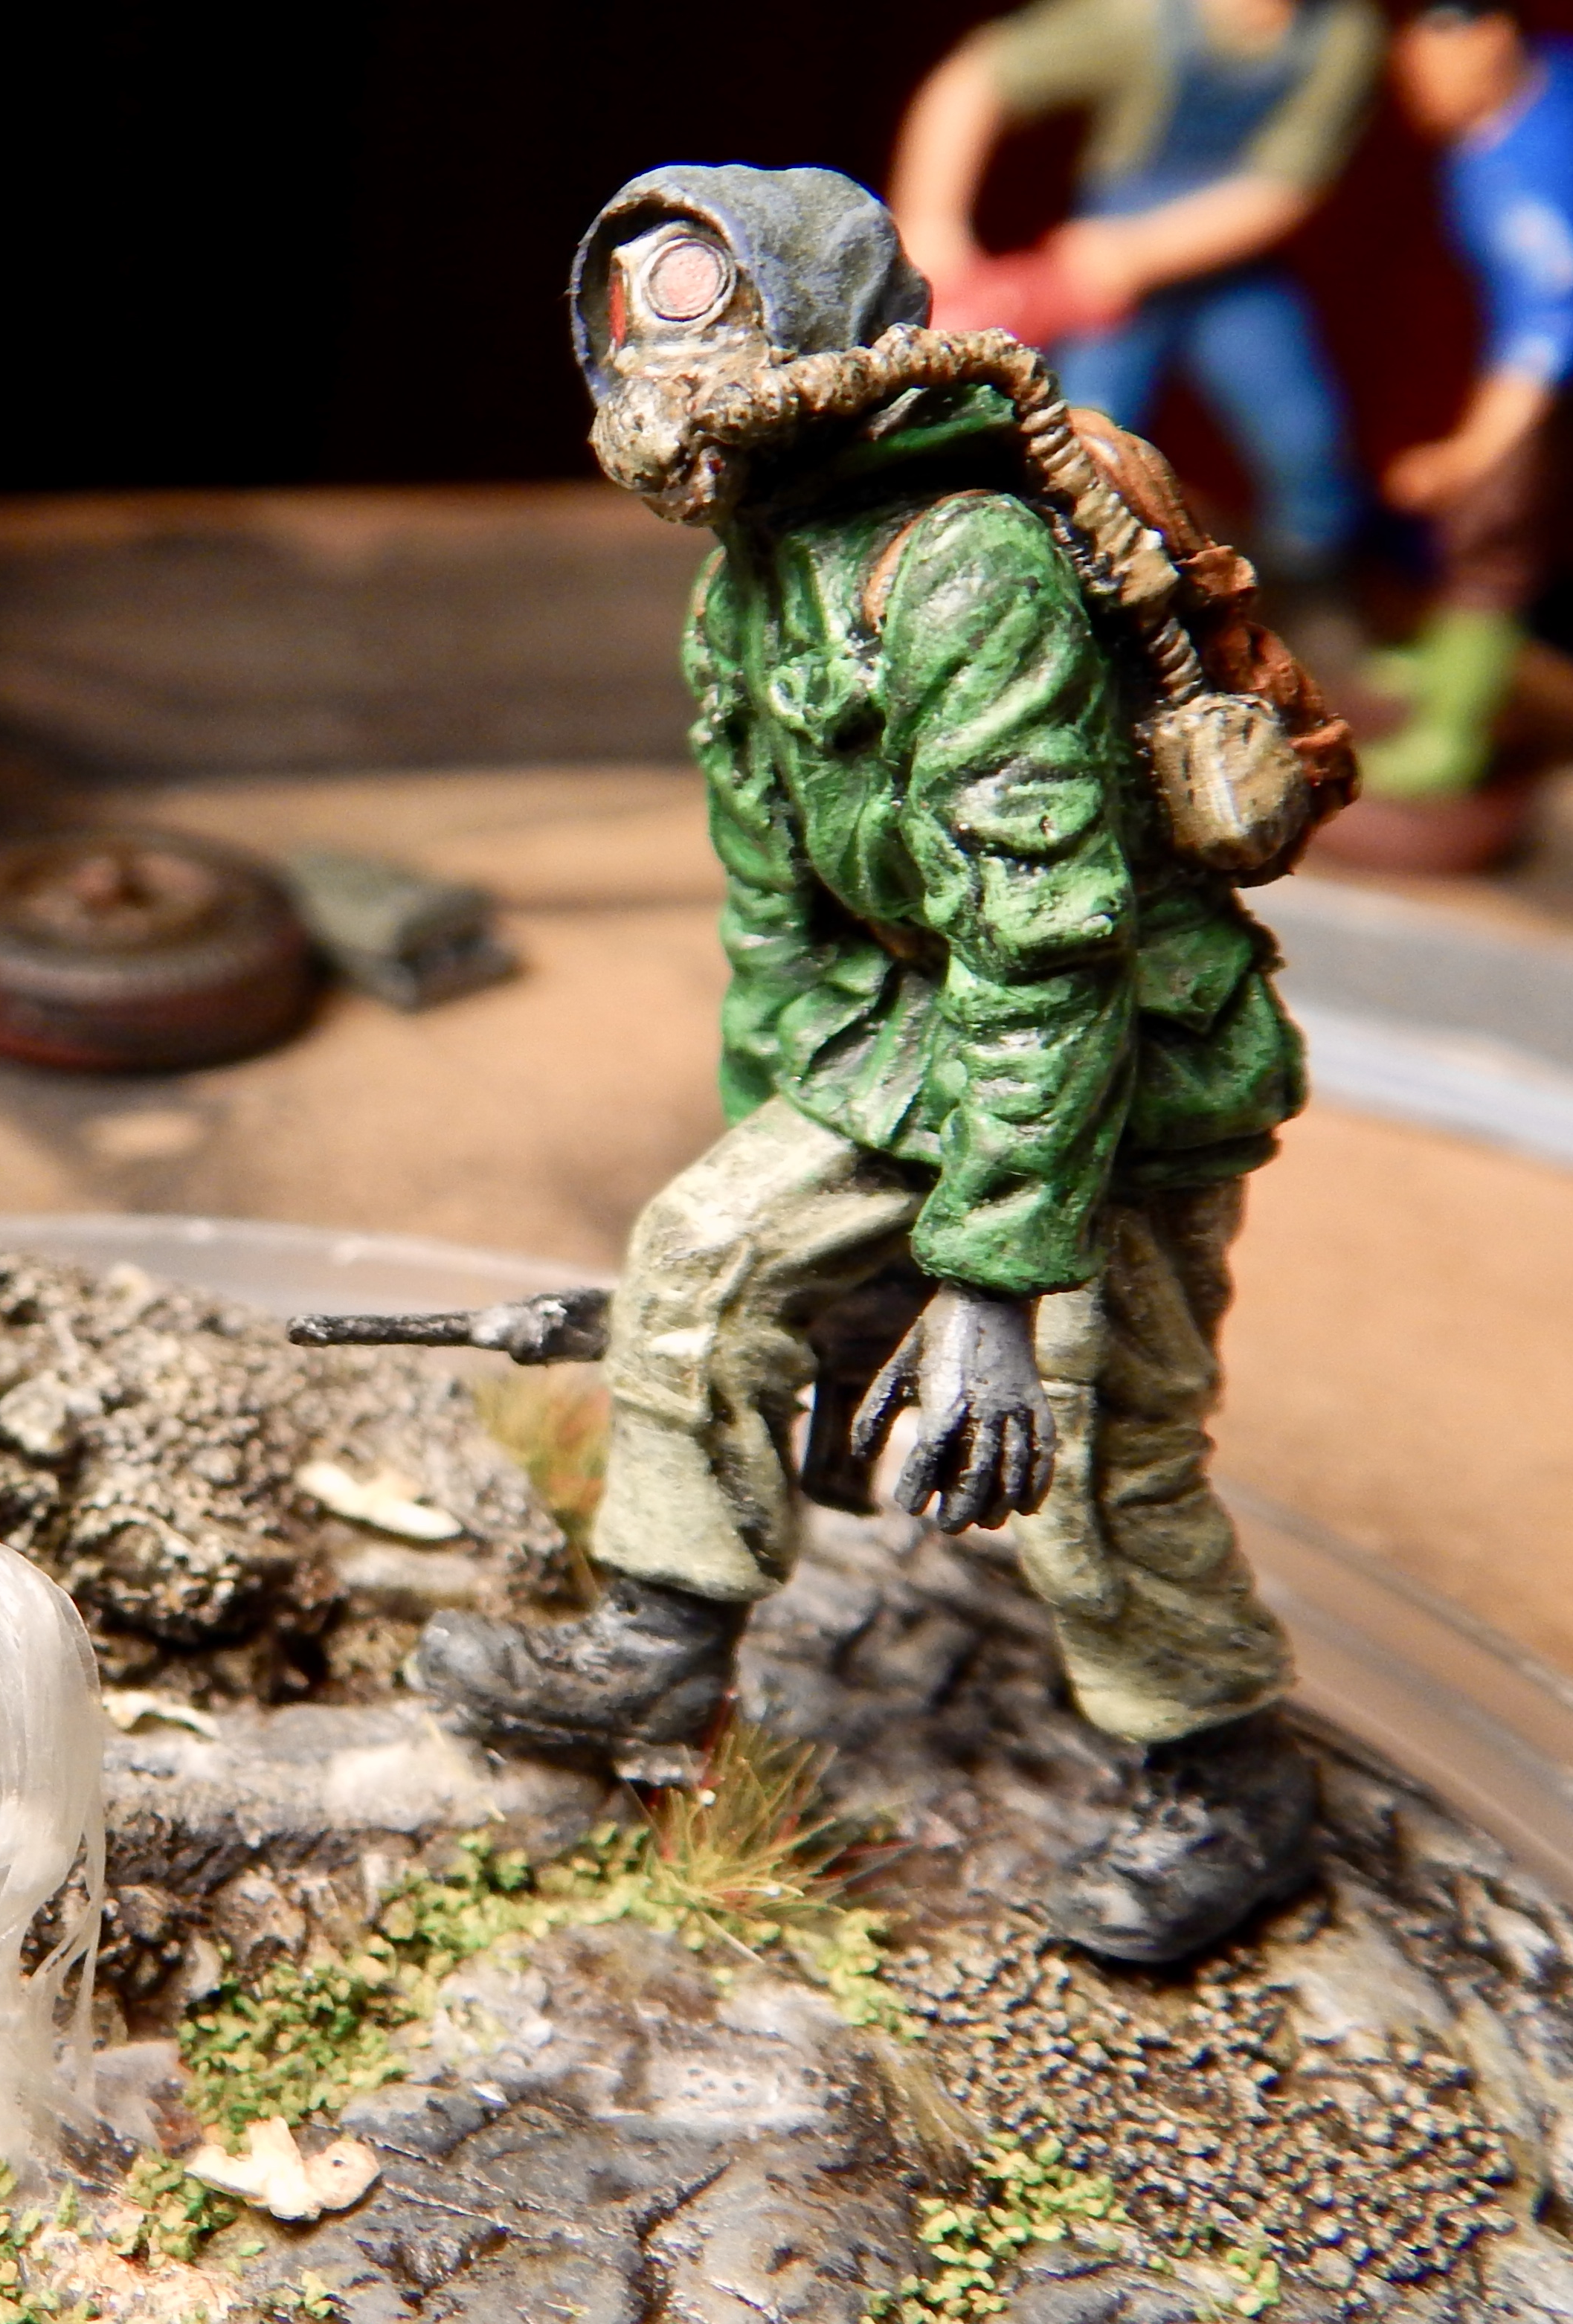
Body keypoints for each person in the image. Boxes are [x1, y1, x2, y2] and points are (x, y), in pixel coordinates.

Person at [419, 164, 1320, 1966]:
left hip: (1113, 1064)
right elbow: (781, 930)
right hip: (915, 1028)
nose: (658, 401)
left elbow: (1045, 941)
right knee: (700, 1256)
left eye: (705, 352)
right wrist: (824, 1257)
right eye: (636, 356)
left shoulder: (965, 567)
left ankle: (1224, 1767)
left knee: (1088, 1444)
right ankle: (658, 1645)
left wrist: (983, 1280)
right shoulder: (747, 591)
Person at [892, 0, 1381, 598]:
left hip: (1227, 270)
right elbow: (974, 80)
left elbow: (1286, 187)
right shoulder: (1141, 18)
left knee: (1304, 439)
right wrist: (932, 224)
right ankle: (1070, 590)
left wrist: (1141, 251)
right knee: (1086, 433)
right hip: (1115, 279)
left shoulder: (1339, 37)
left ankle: (1315, 589)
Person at [1364, 1, 1573, 796]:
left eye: (1434, 66)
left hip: (1547, 355)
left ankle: (1449, 734)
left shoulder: (1518, 182)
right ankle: (1454, 654)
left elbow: (1542, 329)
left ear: (1492, 41)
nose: (1416, 90)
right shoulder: (1524, 98)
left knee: (1491, 518)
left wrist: (1468, 457)